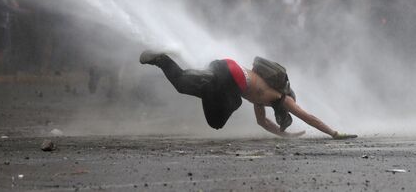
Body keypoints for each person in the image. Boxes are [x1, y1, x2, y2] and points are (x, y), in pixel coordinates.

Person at [139, 51, 357, 139]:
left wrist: (286, 136)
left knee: (182, 85)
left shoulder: (262, 99)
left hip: (224, 67)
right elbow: (307, 116)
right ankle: (207, 80)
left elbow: (262, 122)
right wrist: (333, 133)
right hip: (232, 78)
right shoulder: (281, 97)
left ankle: (161, 60)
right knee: (228, 108)